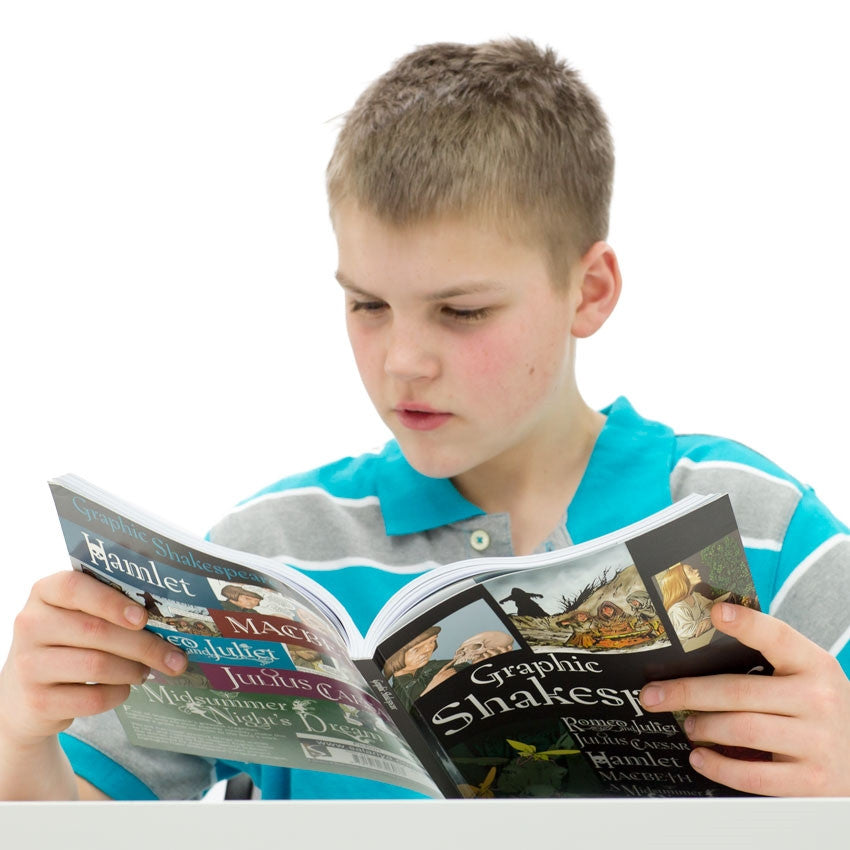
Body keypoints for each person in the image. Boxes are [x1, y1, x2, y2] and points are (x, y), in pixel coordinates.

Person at [1, 37, 849, 802]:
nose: (403, 359)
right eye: (368, 304)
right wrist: (22, 735)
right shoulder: (268, 552)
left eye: (462, 311)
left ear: (587, 292)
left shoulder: (758, 528)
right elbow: (81, 817)